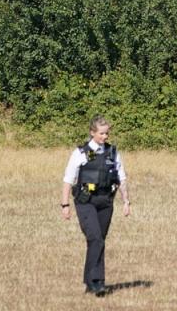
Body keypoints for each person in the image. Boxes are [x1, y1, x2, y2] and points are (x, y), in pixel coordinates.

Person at [61, 116, 131, 296]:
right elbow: (68, 180)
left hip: (106, 202)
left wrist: (126, 201)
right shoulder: (81, 153)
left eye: (107, 133)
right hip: (86, 202)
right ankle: (96, 281)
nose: (105, 136)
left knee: (98, 241)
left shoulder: (113, 153)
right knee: (96, 238)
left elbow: (121, 178)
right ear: (92, 133)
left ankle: (92, 280)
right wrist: (65, 204)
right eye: (101, 133)